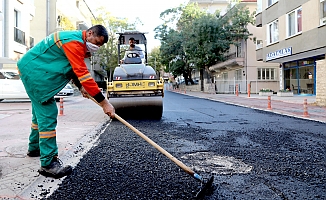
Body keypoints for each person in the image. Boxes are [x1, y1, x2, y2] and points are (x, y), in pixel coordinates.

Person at [17, 25, 115, 179]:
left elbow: (72, 68)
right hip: (35, 73)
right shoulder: (73, 42)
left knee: (39, 115)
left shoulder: (76, 42)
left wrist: (80, 86)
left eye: (100, 45)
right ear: (89, 33)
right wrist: (104, 103)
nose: (97, 47)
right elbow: (83, 73)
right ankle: (48, 164)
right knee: (48, 114)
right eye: (97, 42)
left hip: (32, 69)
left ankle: (34, 148)